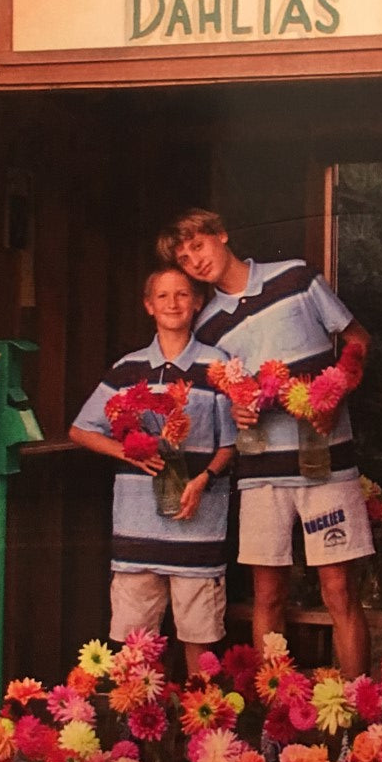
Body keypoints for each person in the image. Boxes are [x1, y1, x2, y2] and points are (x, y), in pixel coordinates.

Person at [156, 208, 374, 677]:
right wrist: (237, 409)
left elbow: (356, 338)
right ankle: (277, 711)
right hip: (260, 472)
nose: (194, 260)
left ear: (222, 235)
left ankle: (360, 717)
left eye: (198, 245)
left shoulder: (295, 277)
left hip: (327, 464)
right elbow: (226, 396)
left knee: (338, 590)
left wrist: (337, 389)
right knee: (268, 595)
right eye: (183, 256)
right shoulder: (207, 325)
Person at [69, 266, 236, 675]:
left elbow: (231, 444)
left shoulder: (218, 366)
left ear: (197, 302)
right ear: (149, 306)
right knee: (134, 651)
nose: (173, 303)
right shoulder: (127, 370)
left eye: (182, 294)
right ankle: (138, 735)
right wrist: (127, 451)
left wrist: (204, 479)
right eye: (163, 296)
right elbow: (80, 430)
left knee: (201, 643)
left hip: (197, 526)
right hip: (137, 530)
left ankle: (206, 735)